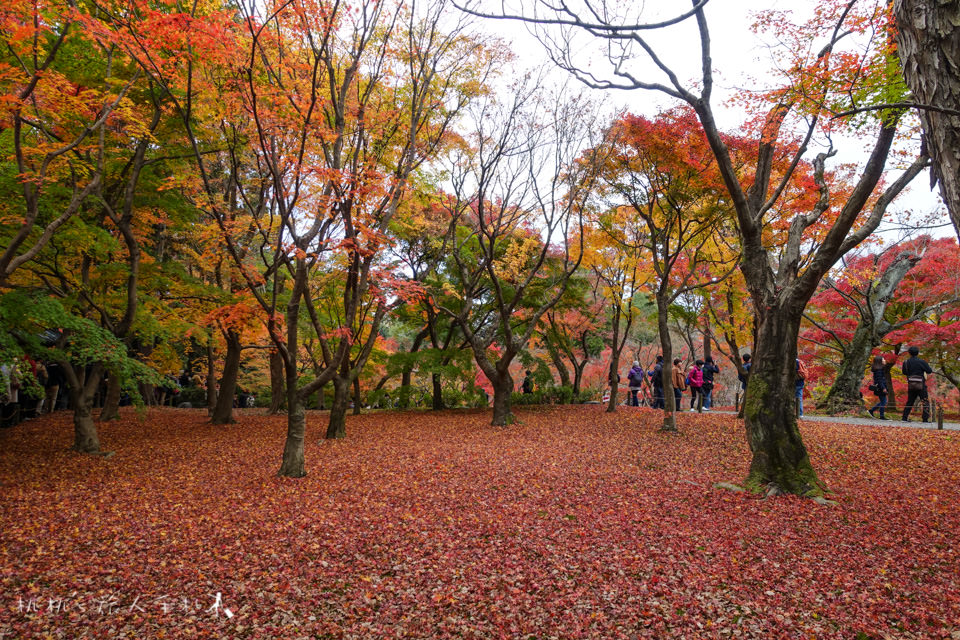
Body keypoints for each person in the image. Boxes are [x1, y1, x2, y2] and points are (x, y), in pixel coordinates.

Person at [901, 346, 933, 422]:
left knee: (910, 401)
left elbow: (904, 372)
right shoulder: (922, 362)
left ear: (909, 353)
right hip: (921, 385)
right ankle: (925, 419)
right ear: (918, 353)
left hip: (911, 384)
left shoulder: (906, 362)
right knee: (925, 401)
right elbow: (929, 371)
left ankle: (904, 418)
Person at [867, 355, 888, 420]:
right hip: (880, 388)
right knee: (884, 401)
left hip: (880, 387)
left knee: (883, 401)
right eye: (883, 359)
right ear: (880, 361)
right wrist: (883, 388)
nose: (884, 360)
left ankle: (872, 411)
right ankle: (881, 415)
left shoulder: (879, 369)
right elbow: (879, 380)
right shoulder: (879, 370)